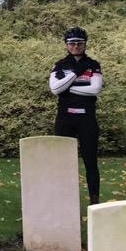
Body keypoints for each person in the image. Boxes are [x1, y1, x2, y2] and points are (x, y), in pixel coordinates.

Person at [48, 27, 103, 205]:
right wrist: (75, 73)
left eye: (80, 43)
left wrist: (67, 89)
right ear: (66, 45)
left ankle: (94, 200)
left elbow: (95, 89)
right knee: (62, 160)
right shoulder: (59, 65)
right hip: (65, 118)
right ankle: (64, 200)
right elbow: (54, 89)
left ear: (85, 44)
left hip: (87, 118)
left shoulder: (93, 64)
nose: (76, 46)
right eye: (72, 43)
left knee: (90, 160)